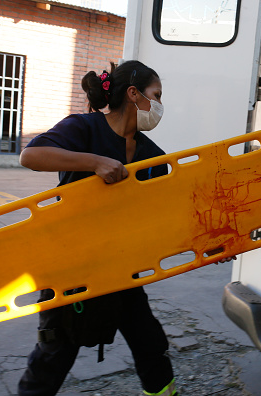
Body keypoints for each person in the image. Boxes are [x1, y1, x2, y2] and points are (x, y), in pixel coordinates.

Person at [17, 60, 177, 396]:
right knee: (56, 351)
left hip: (121, 267)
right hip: (72, 267)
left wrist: (216, 242)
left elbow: (172, 211)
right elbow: (31, 157)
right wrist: (94, 162)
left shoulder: (151, 155)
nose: (160, 106)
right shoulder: (85, 128)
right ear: (133, 94)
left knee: (150, 344)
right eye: (156, 95)